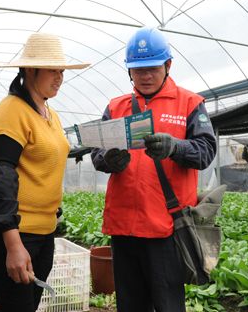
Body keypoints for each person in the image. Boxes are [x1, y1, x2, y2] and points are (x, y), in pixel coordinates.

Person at [91, 27, 216, 312]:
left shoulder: (190, 104)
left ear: (168, 65)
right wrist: (108, 159)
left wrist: (176, 148)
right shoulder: (116, 107)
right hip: (123, 228)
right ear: (129, 72)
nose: (145, 76)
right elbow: (96, 154)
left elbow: (206, 151)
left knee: (168, 305)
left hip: (166, 229)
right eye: (137, 70)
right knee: (130, 304)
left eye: (152, 69)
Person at [0, 33, 89, 312]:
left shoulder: (50, 114)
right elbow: (0, 177)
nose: (59, 77)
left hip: (44, 234)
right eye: (52, 70)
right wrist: (14, 244)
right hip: (18, 234)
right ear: (30, 70)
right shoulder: (11, 110)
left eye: (62, 71)